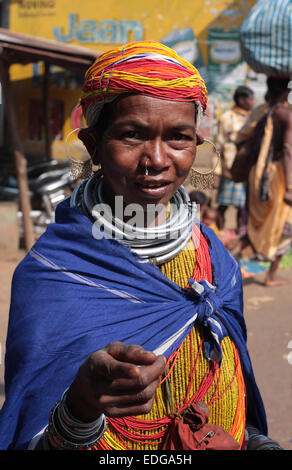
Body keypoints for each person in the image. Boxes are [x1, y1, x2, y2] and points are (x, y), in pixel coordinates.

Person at [0, 42, 281, 451]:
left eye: (179, 138)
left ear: (196, 147)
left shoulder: (214, 259)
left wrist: (254, 440)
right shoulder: (54, 273)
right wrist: (79, 408)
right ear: (94, 144)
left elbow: (229, 385)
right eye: (132, 135)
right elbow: (32, 436)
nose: (157, 159)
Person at [233, 77, 292, 287]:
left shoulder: (261, 112)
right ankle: (271, 276)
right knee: (286, 226)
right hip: (279, 177)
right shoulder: (286, 114)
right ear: (286, 92)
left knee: (251, 223)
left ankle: (227, 267)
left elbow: (240, 138)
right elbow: (287, 153)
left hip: (257, 173)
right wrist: (290, 188)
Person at [215, 86, 255, 231]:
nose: (253, 102)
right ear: (241, 100)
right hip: (230, 170)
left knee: (242, 209)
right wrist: (217, 171)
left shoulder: (253, 117)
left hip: (247, 171)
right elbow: (218, 147)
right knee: (222, 206)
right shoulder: (227, 118)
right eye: (250, 98)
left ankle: (238, 237)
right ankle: (218, 236)